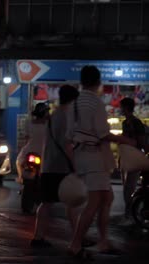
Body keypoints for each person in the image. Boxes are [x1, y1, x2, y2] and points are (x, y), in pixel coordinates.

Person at [67, 66, 135, 259]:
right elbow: (103, 133)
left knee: (106, 199)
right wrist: (125, 140)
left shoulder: (75, 103)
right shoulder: (95, 102)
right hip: (94, 157)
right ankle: (76, 244)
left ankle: (103, 241)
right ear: (98, 82)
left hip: (83, 156)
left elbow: (69, 134)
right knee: (95, 202)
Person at [31, 85, 80, 248]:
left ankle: (38, 237)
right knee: (72, 201)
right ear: (73, 100)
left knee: (46, 202)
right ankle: (78, 238)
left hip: (49, 165)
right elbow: (66, 144)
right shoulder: (65, 116)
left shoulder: (55, 114)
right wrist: (76, 164)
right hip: (60, 166)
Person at [120, 98, 146, 220]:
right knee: (127, 186)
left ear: (126, 108)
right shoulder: (125, 123)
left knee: (129, 187)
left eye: (122, 107)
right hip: (127, 158)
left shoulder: (136, 122)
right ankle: (129, 211)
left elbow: (142, 142)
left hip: (134, 158)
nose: (120, 110)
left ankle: (129, 213)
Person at [16, 103, 50, 184]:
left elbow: (26, 138)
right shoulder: (48, 124)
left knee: (18, 162)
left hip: (30, 149)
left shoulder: (29, 122)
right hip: (44, 151)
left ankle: (20, 178)